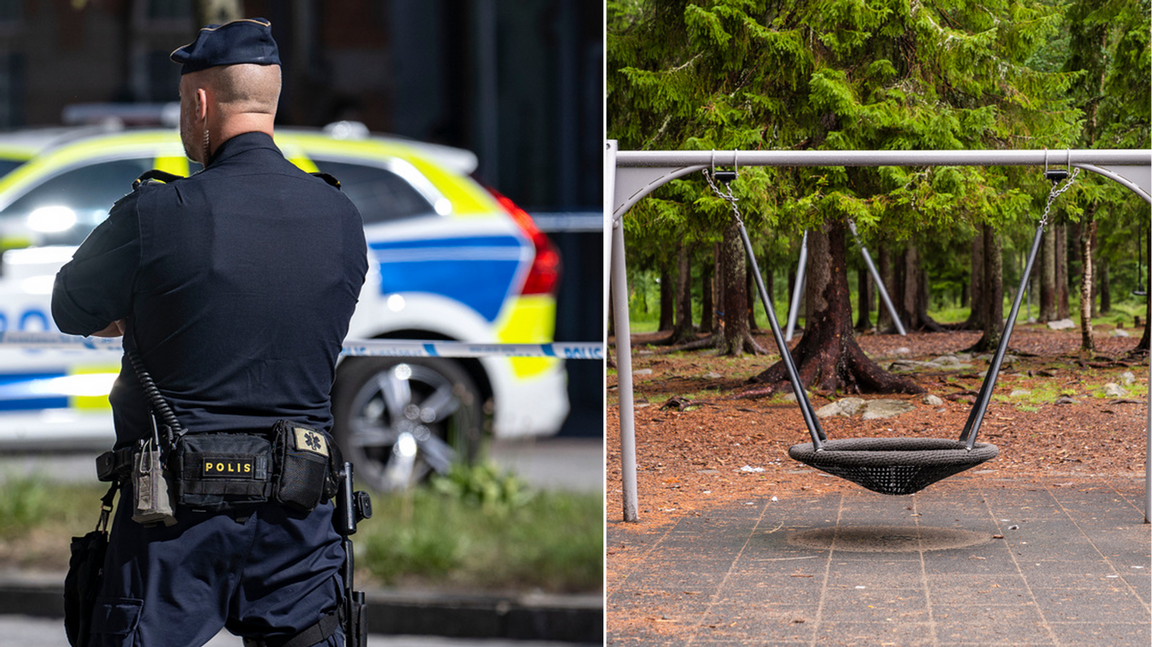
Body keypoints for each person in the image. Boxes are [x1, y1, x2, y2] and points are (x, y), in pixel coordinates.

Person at [52, 17, 368, 647]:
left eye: (180, 104)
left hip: (169, 526)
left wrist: (140, 310)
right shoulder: (340, 215)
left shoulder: (154, 214)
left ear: (199, 103)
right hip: (300, 523)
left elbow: (72, 306)